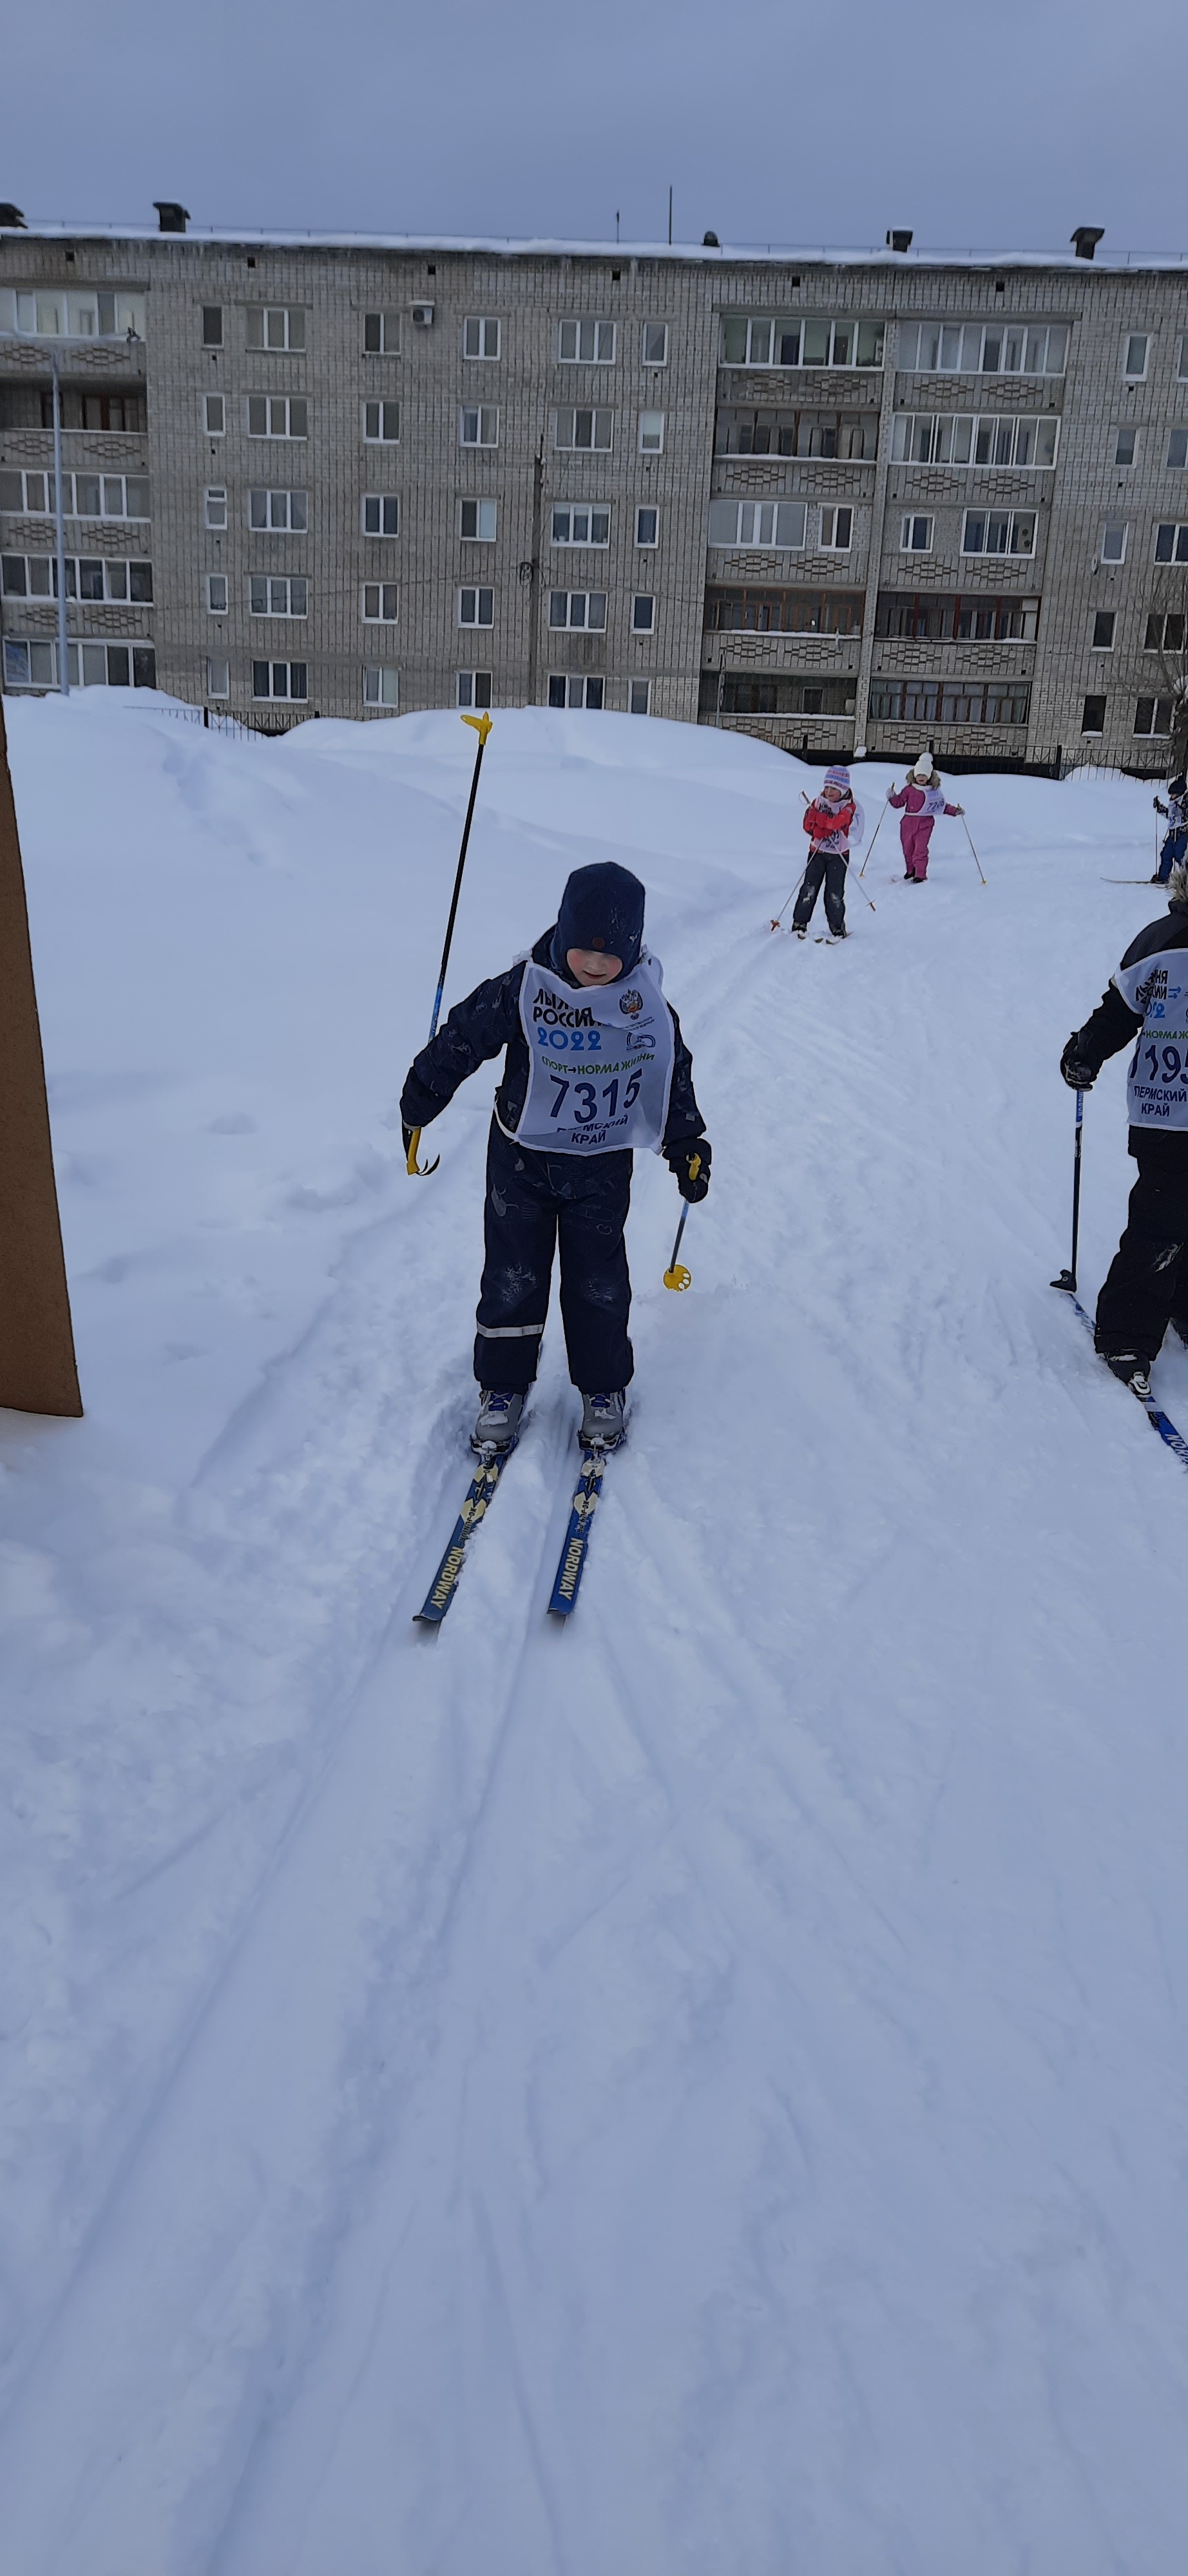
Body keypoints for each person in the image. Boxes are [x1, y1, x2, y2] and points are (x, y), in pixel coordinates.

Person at [400, 860, 710, 1455]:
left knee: (598, 1280)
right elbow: (465, 1036)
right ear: (563, 933)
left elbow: (669, 1077)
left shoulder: (644, 1007)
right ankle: (503, 1387)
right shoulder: (526, 989)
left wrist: (687, 1143)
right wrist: (422, 1095)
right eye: (584, 951)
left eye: (611, 954)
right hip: (521, 1162)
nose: (596, 966)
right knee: (513, 1274)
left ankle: (602, 1388)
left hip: (601, 1166)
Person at [1060, 863, 1188, 1396]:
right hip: (1168, 1108)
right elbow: (1119, 1010)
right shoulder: (1163, 942)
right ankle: (1127, 1333)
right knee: (1161, 1221)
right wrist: (1085, 1051)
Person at [791, 764, 864, 940]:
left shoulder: (849, 806)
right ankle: (799, 923)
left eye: (834, 788)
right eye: (827, 787)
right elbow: (807, 823)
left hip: (839, 856)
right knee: (809, 889)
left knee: (834, 894)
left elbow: (838, 823)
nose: (829, 792)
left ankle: (837, 927)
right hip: (817, 852)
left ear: (844, 789)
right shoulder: (818, 802)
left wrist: (820, 820)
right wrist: (817, 830)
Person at [887, 753, 964, 881]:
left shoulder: (933, 791)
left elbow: (941, 806)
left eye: (924, 775)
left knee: (920, 849)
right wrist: (892, 797)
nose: (921, 777)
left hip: (925, 824)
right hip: (908, 823)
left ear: (929, 776)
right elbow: (899, 803)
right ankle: (910, 870)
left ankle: (920, 874)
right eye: (919, 775)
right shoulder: (909, 790)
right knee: (908, 848)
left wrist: (954, 811)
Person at [1151, 773, 1187, 884]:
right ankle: (1163, 877)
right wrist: (1160, 807)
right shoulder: (1173, 803)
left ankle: (1185, 880)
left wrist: (1183, 811)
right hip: (1173, 834)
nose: (1171, 797)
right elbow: (1171, 816)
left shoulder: (1185, 802)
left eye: (1173, 794)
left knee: (1181, 857)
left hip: (1183, 835)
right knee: (1166, 854)